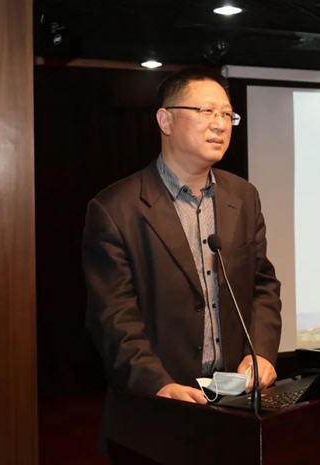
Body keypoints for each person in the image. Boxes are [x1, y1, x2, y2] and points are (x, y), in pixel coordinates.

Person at [82, 67, 282, 418]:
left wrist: (261, 352)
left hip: (235, 401)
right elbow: (113, 316)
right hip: (158, 405)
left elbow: (263, 285)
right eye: (206, 111)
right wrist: (156, 383)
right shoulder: (116, 209)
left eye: (227, 114)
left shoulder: (243, 196)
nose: (220, 125)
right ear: (166, 120)